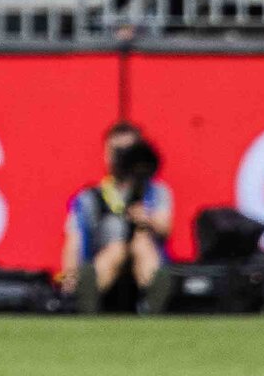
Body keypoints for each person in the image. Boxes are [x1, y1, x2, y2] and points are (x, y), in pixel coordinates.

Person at [57, 120, 175, 312]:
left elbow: (166, 227)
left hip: (144, 261)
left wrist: (147, 219)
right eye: (115, 151)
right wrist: (69, 277)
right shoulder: (89, 197)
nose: (121, 158)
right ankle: (86, 300)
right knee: (117, 249)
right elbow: (74, 240)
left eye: (127, 151)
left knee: (141, 242)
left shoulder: (155, 192)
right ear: (105, 154)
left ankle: (153, 300)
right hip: (105, 264)